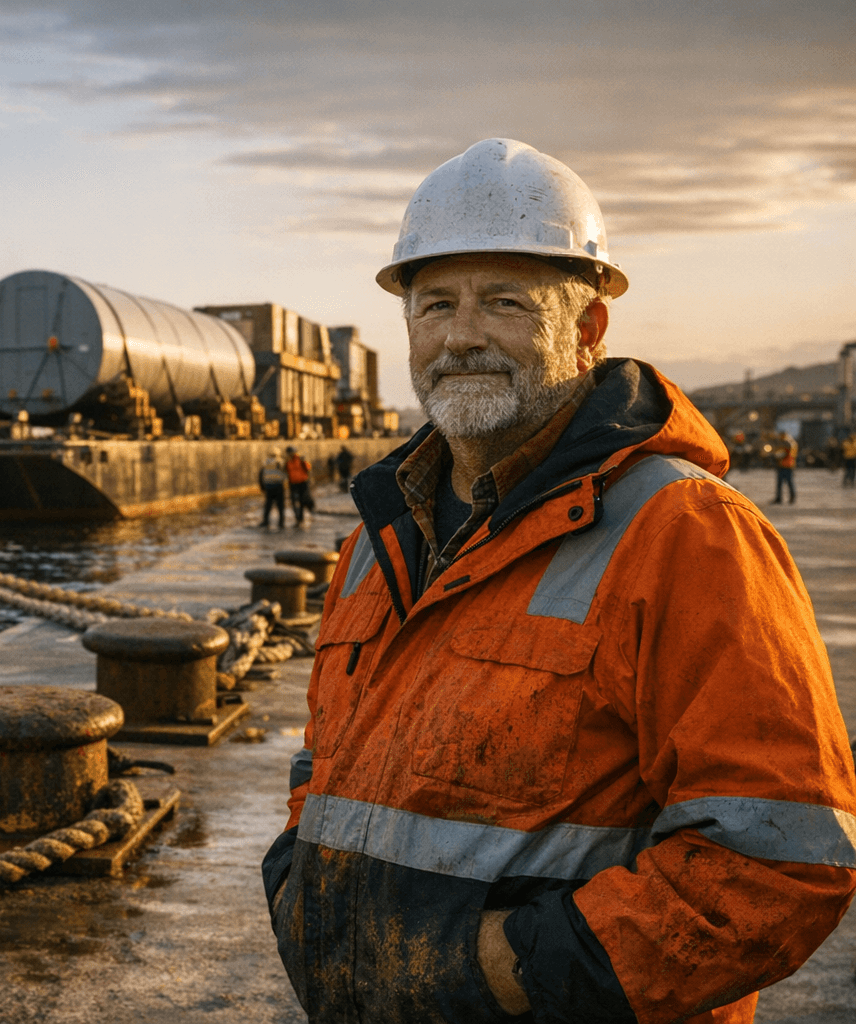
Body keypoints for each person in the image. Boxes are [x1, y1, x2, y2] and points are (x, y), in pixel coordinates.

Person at [264, 138, 856, 1024]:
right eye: (436, 304)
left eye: (505, 301)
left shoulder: (688, 536)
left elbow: (781, 860)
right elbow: (326, 761)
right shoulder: (374, 545)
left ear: (588, 329)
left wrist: (504, 971)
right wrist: (296, 886)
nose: (462, 335)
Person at [258, 448, 288, 527]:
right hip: (278, 485)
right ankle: (281, 522)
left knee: (268, 505)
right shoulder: (281, 462)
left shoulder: (265, 462)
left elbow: (261, 474)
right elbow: (286, 473)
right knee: (280, 505)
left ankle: (266, 521)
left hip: (269, 485)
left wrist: (262, 486)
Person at [285, 446, 313, 525]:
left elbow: (308, 468)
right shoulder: (287, 462)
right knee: (294, 502)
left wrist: (304, 461)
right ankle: (298, 518)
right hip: (293, 483)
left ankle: (301, 517)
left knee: (302, 501)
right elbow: (286, 472)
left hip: (302, 482)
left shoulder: (301, 459)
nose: (289, 454)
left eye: (290, 452)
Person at [772, 430, 798, 504]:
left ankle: (791, 497)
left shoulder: (788, 443)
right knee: (780, 484)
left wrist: (776, 456)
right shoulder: (786, 443)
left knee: (788, 483)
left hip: (787, 466)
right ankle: (779, 498)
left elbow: (784, 454)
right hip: (782, 465)